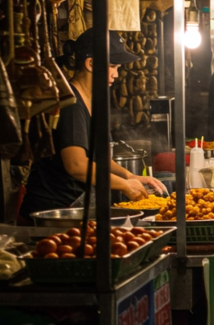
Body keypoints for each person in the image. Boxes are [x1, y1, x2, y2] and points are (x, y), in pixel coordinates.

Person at [21, 29, 168, 218]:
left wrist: (130, 176)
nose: (116, 74)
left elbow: (100, 160)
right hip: (53, 211)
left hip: (78, 206)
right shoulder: (70, 105)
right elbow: (77, 165)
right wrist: (123, 185)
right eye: (113, 66)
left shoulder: (94, 102)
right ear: (91, 64)